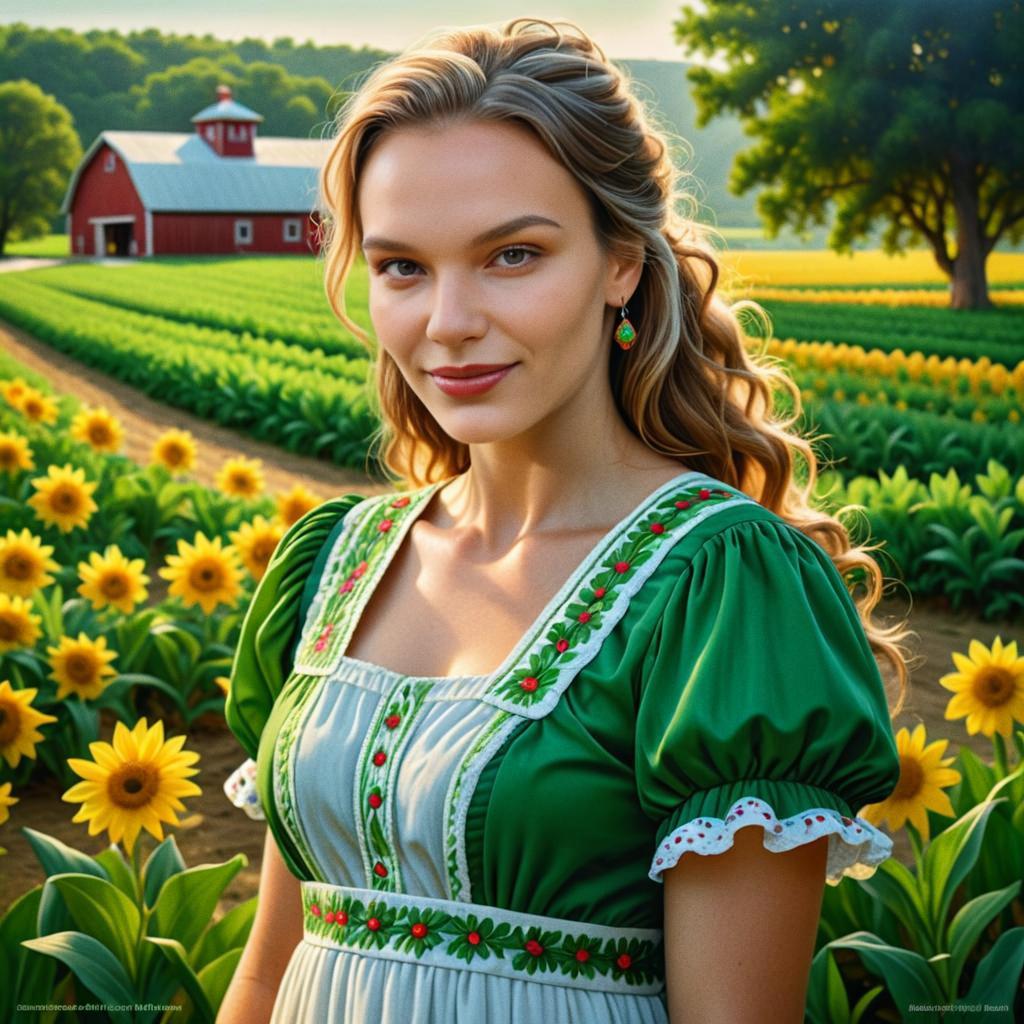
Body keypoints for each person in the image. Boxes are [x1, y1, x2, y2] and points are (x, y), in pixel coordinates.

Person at [217, 16, 909, 1024]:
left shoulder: (717, 589)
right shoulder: (333, 565)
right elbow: (266, 972)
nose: (446, 321)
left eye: (510, 255)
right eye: (402, 266)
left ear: (620, 262)